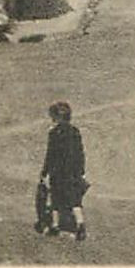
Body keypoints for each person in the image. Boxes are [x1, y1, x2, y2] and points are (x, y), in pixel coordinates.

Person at [38, 101, 88, 241]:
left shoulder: (54, 133)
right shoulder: (75, 131)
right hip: (73, 171)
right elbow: (80, 152)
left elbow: (51, 155)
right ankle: (80, 224)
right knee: (74, 200)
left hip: (58, 171)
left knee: (56, 198)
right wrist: (81, 170)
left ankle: (54, 225)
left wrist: (44, 172)